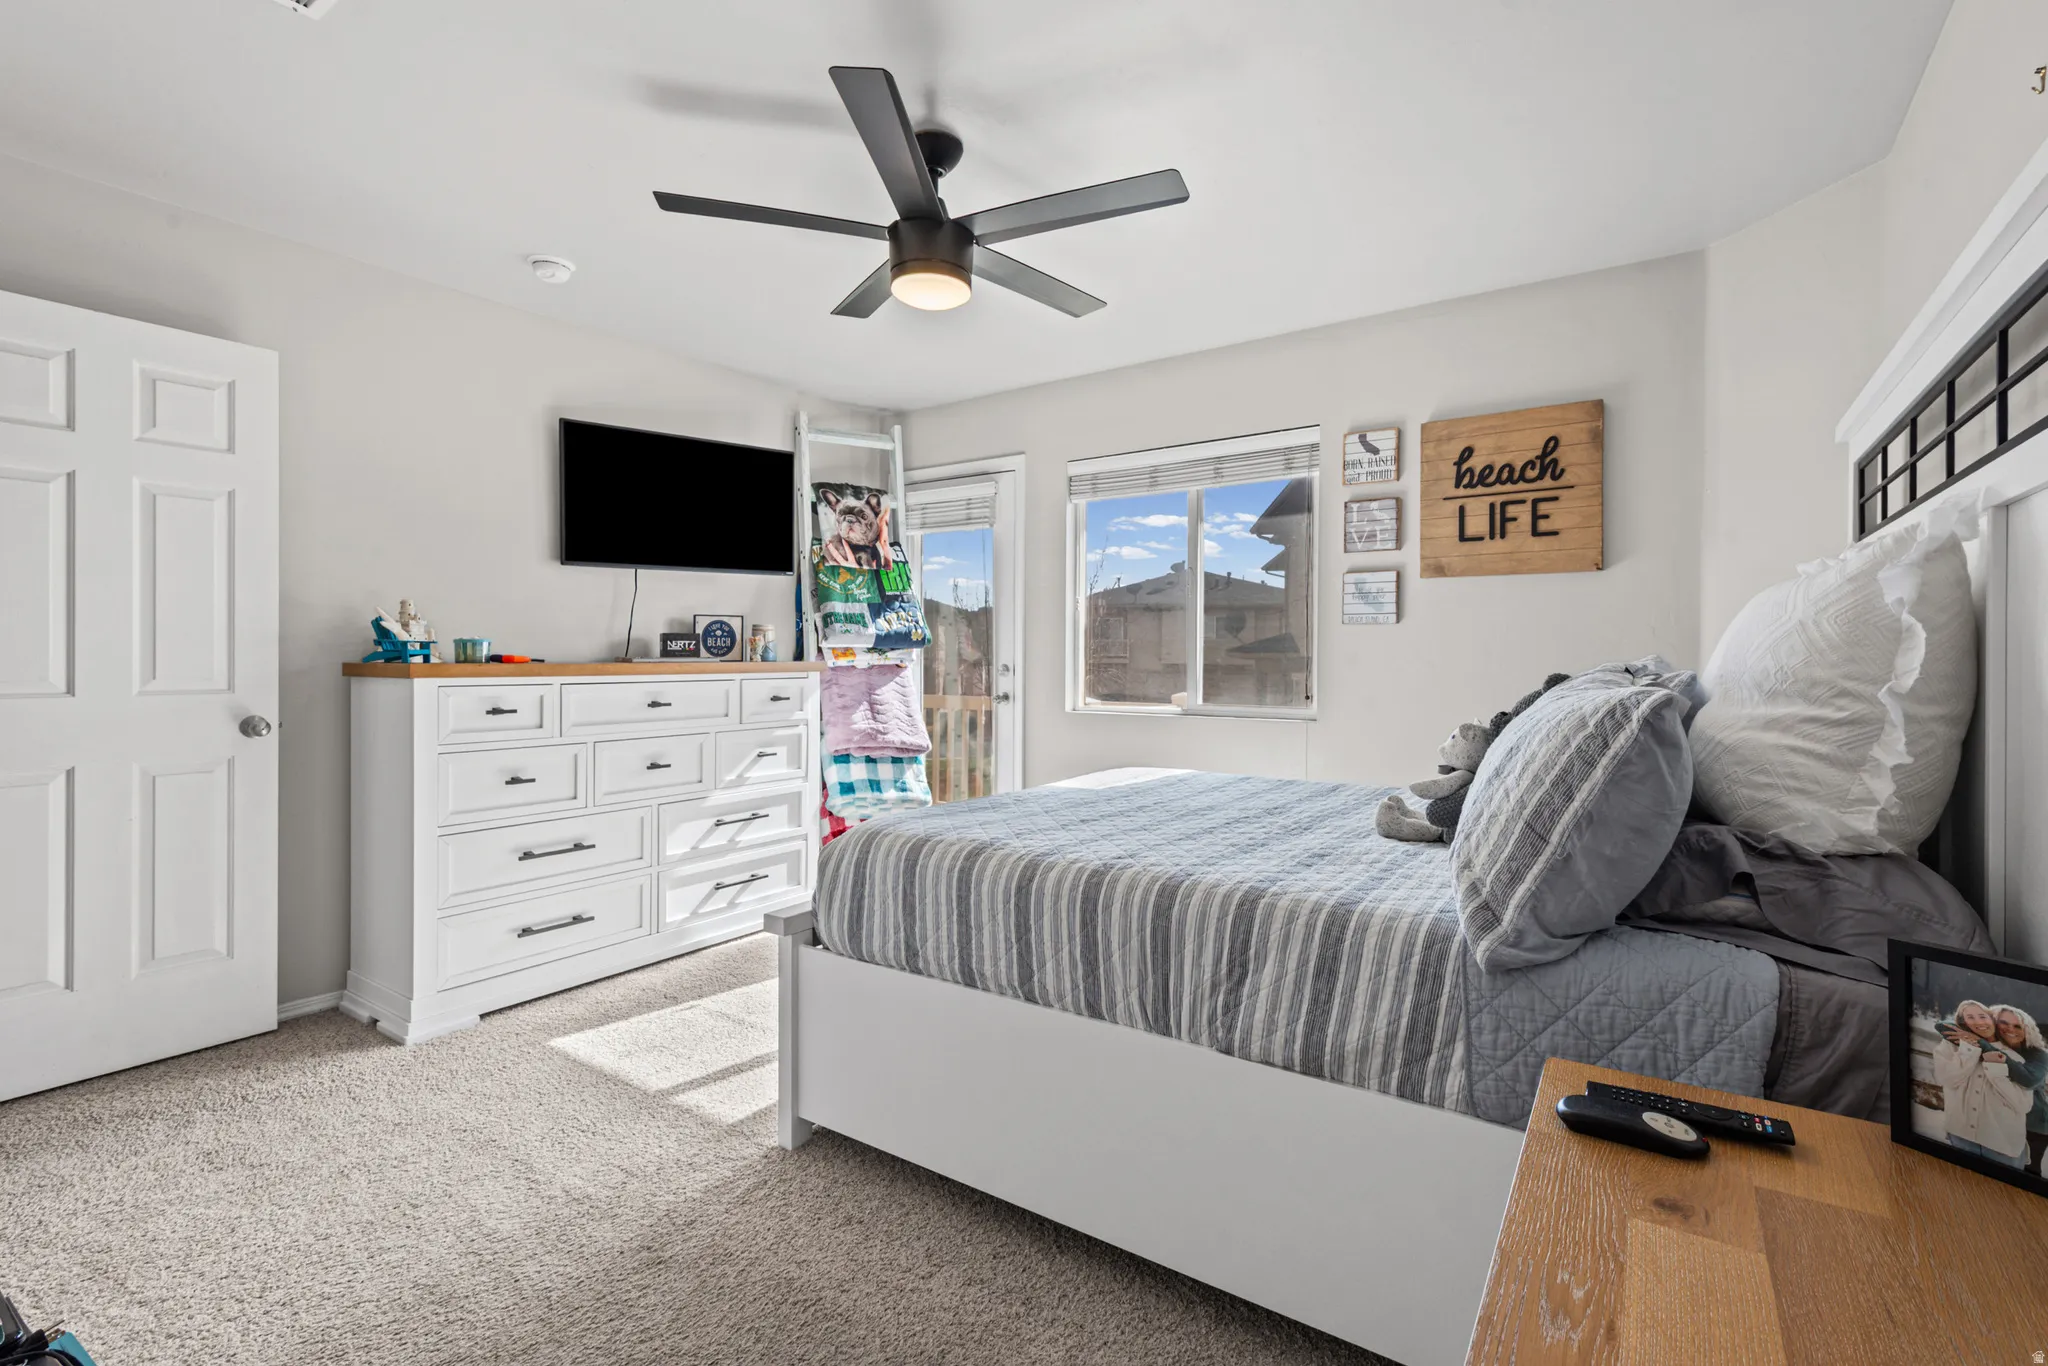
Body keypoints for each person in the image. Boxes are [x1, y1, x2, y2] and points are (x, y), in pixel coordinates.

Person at [1932, 999, 2032, 1168]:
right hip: (1961, 1136)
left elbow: (2023, 1105)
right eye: (1970, 1017)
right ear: (1963, 1023)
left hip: (2003, 1146)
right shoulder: (1950, 1047)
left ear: (1993, 1019)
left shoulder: (2015, 1058)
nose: (1978, 1022)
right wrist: (1969, 1049)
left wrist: (1996, 1068)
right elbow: (1948, 1079)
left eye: (1982, 1016)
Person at [1990, 1004, 2048, 1176]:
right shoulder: (1993, 1044)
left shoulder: (2038, 1054)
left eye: (2017, 1026)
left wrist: (1986, 1048)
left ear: (2027, 1030)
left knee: (2027, 1171)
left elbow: (2028, 1080)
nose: (2010, 1029)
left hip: (2034, 1123)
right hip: (2002, 1119)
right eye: (2004, 1022)